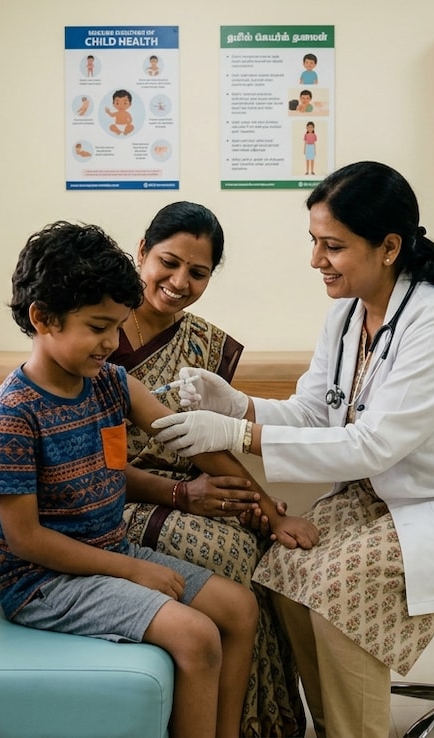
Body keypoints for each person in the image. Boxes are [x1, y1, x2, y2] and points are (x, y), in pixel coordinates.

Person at [150, 161, 434, 738]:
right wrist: (237, 405)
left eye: (332, 246)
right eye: (315, 242)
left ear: (388, 247)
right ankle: (339, 725)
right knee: (284, 567)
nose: (316, 260)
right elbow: (315, 412)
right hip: (388, 496)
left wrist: (235, 435)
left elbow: (372, 445)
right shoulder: (347, 314)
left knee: (340, 591)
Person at [0, 220, 317, 738]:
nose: (111, 343)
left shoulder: (109, 383)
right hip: (43, 583)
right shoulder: (12, 415)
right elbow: (25, 540)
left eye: (117, 326)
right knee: (198, 637)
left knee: (240, 607)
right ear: (43, 319)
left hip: (106, 548)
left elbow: (192, 441)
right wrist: (131, 571)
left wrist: (270, 511)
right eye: (97, 328)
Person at [110, 201, 307, 737]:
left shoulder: (203, 343)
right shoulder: (97, 331)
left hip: (189, 486)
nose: (179, 282)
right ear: (142, 253)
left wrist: (264, 508)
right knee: (228, 552)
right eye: (168, 263)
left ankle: (260, 721)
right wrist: (184, 497)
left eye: (197, 273)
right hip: (115, 497)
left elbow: (199, 441)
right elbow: (82, 464)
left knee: (261, 542)